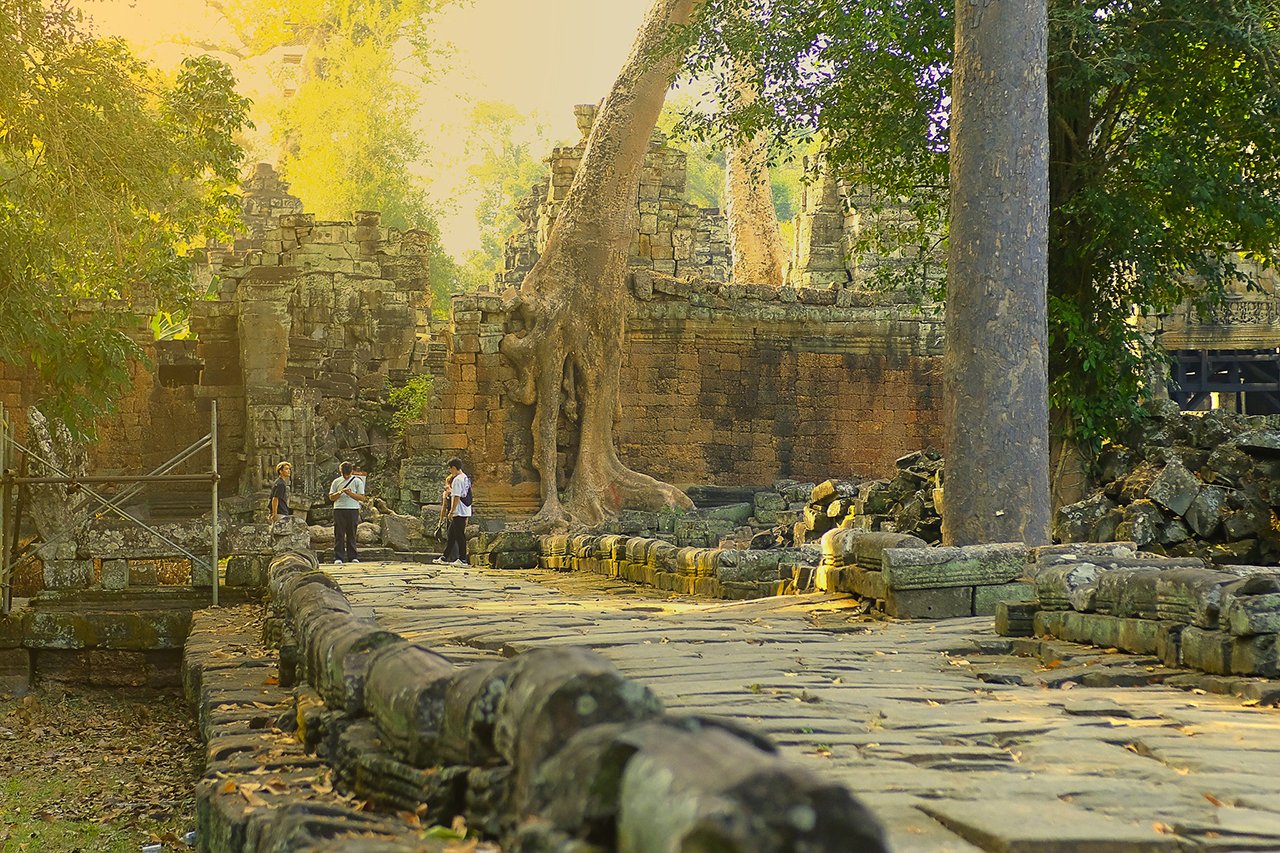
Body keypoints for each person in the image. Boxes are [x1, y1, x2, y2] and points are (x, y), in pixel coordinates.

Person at [328, 461, 367, 564]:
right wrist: (340, 492)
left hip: (352, 509)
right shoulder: (336, 482)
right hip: (339, 509)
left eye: (348, 474)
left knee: (352, 533)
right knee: (339, 533)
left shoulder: (357, 481)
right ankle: (338, 557)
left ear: (352, 472)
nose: (346, 477)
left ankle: (353, 556)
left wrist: (350, 494)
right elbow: (331, 497)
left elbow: (362, 497)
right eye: (344, 474)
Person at [439, 457, 471, 566]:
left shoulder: (457, 479)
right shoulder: (465, 477)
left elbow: (456, 496)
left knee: (460, 535)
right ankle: (445, 557)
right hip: (464, 509)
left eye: (450, 468)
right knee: (451, 534)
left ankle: (463, 559)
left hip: (459, 510)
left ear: (453, 467)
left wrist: (452, 511)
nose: (450, 471)